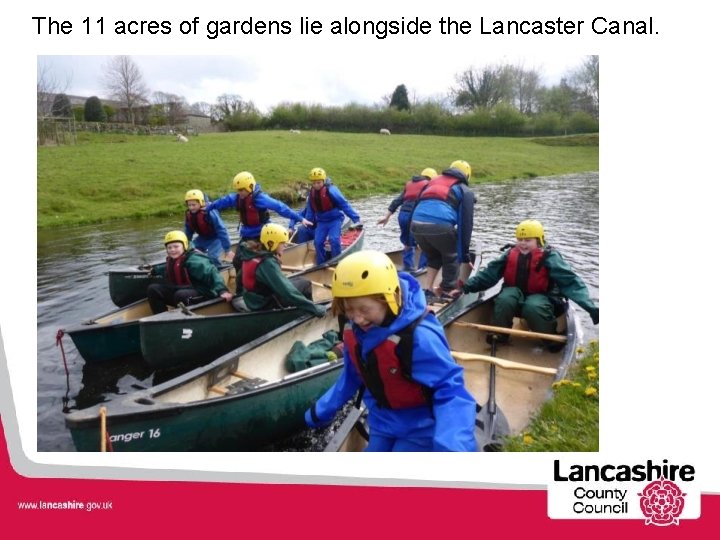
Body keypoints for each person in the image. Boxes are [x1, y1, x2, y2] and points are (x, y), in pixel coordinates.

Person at [304, 250, 477, 451]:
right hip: (381, 422)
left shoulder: (420, 337)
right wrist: (322, 409)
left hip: (420, 429)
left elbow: (451, 391)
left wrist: (453, 446)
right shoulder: (354, 328)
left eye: (364, 309)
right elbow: (353, 374)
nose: (357, 318)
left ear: (390, 298)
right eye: (349, 310)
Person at [451, 220, 599, 351]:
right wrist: (464, 287)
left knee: (533, 305)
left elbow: (571, 283)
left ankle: (551, 340)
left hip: (543, 299)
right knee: (506, 298)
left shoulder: (551, 257)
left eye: (528, 240)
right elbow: (488, 275)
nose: (522, 243)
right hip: (516, 299)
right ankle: (499, 334)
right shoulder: (510, 254)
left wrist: (591, 308)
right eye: (520, 239)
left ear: (539, 240)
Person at [207, 171, 313, 292]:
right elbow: (222, 201)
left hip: (263, 235)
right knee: (237, 261)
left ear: (250, 187)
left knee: (267, 261)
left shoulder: (261, 199)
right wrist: (209, 207)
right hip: (247, 234)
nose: (240, 193)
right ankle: (242, 289)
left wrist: (300, 218)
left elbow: (281, 208)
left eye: (242, 190)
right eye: (238, 190)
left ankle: (273, 283)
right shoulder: (238, 198)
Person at [410, 160, 476, 298]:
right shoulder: (464, 190)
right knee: (452, 255)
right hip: (439, 227)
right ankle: (447, 290)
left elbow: (416, 205)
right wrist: (464, 254)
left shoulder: (431, 182)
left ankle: (428, 289)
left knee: (434, 255)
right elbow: (465, 225)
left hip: (415, 225)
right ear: (467, 175)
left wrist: (413, 238)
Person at [236, 223, 326, 317]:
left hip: (251, 299)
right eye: (282, 243)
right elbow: (287, 291)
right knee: (305, 284)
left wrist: (238, 294)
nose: (285, 246)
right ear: (271, 243)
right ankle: (307, 312)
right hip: (263, 303)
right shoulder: (267, 263)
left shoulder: (251, 253)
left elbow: (239, 277)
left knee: (299, 280)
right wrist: (315, 308)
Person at [146, 230, 233, 314]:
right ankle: (161, 318)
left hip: (204, 293)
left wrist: (222, 290)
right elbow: (167, 267)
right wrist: (154, 270)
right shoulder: (174, 259)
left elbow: (212, 274)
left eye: (176, 246)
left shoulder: (195, 260)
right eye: (169, 247)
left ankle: (187, 319)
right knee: (153, 289)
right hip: (182, 291)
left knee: (180, 295)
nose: (172, 250)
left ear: (185, 246)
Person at [376, 167, 437, 271]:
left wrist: (387, 216)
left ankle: (408, 268)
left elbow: (398, 201)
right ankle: (422, 269)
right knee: (425, 243)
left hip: (402, 216)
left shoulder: (410, 184)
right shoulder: (429, 185)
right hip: (415, 217)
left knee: (408, 243)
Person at [302, 167, 362, 264]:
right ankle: (321, 264)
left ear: (323, 180)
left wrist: (356, 219)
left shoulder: (331, 190)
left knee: (334, 240)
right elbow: (310, 210)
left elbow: (344, 204)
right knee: (317, 242)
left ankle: (337, 262)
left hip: (335, 220)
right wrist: (309, 222)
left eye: (319, 182)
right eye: (314, 183)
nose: (316, 185)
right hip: (321, 222)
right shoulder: (311, 194)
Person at [183, 189, 234, 268]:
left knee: (212, 257)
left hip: (216, 238)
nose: (191, 208)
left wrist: (227, 249)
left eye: (194, 205)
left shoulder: (209, 212)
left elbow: (221, 229)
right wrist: (185, 245)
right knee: (189, 253)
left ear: (201, 202)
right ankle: (199, 267)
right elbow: (188, 232)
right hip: (203, 238)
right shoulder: (189, 214)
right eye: (189, 205)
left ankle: (218, 270)